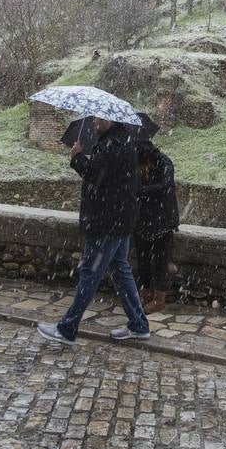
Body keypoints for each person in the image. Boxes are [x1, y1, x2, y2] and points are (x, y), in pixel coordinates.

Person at [37, 117, 150, 345]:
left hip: (106, 222)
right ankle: (138, 324)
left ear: (110, 119)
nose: (95, 122)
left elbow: (94, 175)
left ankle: (67, 329)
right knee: (120, 270)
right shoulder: (123, 141)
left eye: (99, 118)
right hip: (121, 220)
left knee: (90, 273)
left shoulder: (112, 145)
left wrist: (77, 157)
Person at [135, 139, 179, 315]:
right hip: (143, 218)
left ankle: (160, 299)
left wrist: (140, 191)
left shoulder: (165, 163)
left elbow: (164, 187)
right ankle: (145, 293)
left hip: (163, 219)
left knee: (161, 261)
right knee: (143, 260)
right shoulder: (139, 165)